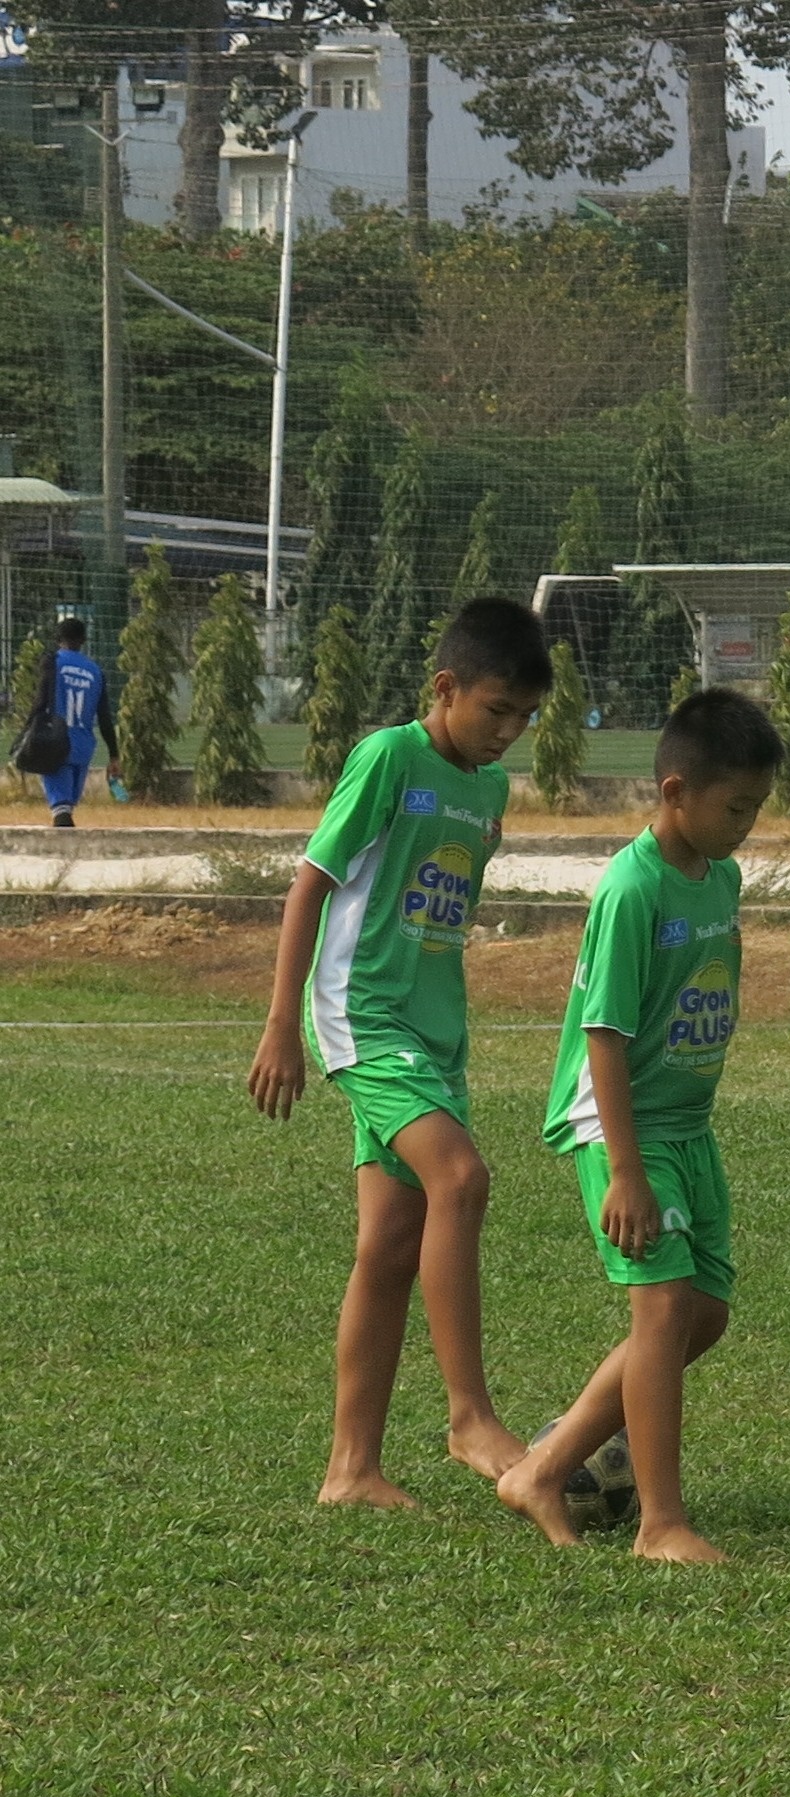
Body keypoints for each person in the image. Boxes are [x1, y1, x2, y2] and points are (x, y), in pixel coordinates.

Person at [247, 598, 551, 1507]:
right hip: (363, 1014)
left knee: (387, 1246)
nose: (508, 732)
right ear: (445, 687)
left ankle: (351, 1472)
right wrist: (282, 1024)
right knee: (460, 1178)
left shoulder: (489, 794)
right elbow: (312, 885)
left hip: (435, 1035)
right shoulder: (388, 757)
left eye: (524, 717)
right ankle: (469, 1415)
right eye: (495, 710)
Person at [500, 689, 784, 1563]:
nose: (745, 827)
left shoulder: (721, 878)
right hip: (625, 1128)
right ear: (674, 792)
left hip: (689, 1127)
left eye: (756, 809)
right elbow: (604, 1034)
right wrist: (625, 1169)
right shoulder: (631, 889)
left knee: (704, 1314)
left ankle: (543, 1469)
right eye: (734, 808)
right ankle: (661, 1524)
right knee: (661, 1309)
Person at [20, 617, 117, 824]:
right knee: (68, 807)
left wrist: (26, 731)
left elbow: (40, 701)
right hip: (84, 747)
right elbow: (105, 718)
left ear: (58, 638)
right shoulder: (95, 671)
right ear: (83, 640)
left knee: (61, 811)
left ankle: (66, 843)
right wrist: (114, 755)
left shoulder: (53, 661)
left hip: (55, 742)